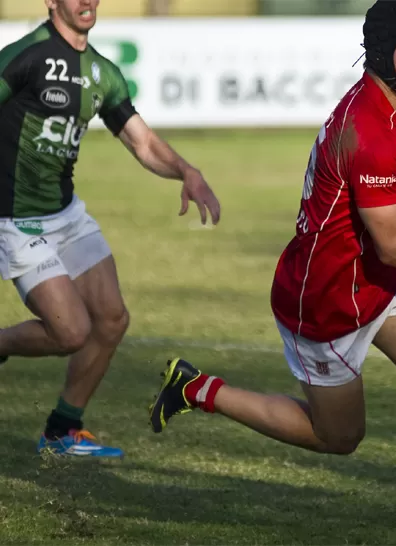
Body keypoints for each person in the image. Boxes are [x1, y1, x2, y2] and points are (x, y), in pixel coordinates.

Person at [149, 0, 396, 541]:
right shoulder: (367, 129)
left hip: (380, 280)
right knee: (338, 437)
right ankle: (199, 388)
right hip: (328, 295)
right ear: (383, 54)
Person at [0, 0, 220, 458]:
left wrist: (187, 171)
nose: (85, 1)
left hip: (66, 214)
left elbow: (141, 142)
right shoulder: (25, 56)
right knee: (70, 332)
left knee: (112, 319)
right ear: (51, 2)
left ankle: (62, 430)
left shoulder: (102, 73)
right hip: (17, 220)